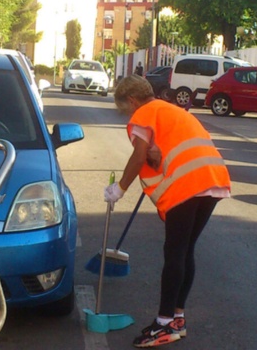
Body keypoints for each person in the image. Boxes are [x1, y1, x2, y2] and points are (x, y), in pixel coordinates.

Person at [104, 75, 231, 348]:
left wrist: (120, 189)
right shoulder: (171, 109)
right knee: (185, 251)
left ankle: (163, 324)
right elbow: (162, 152)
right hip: (213, 180)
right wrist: (154, 156)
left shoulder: (145, 112)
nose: (127, 114)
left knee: (174, 253)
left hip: (187, 186)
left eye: (125, 109)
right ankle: (177, 318)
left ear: (132, 100)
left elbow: (138, 156)